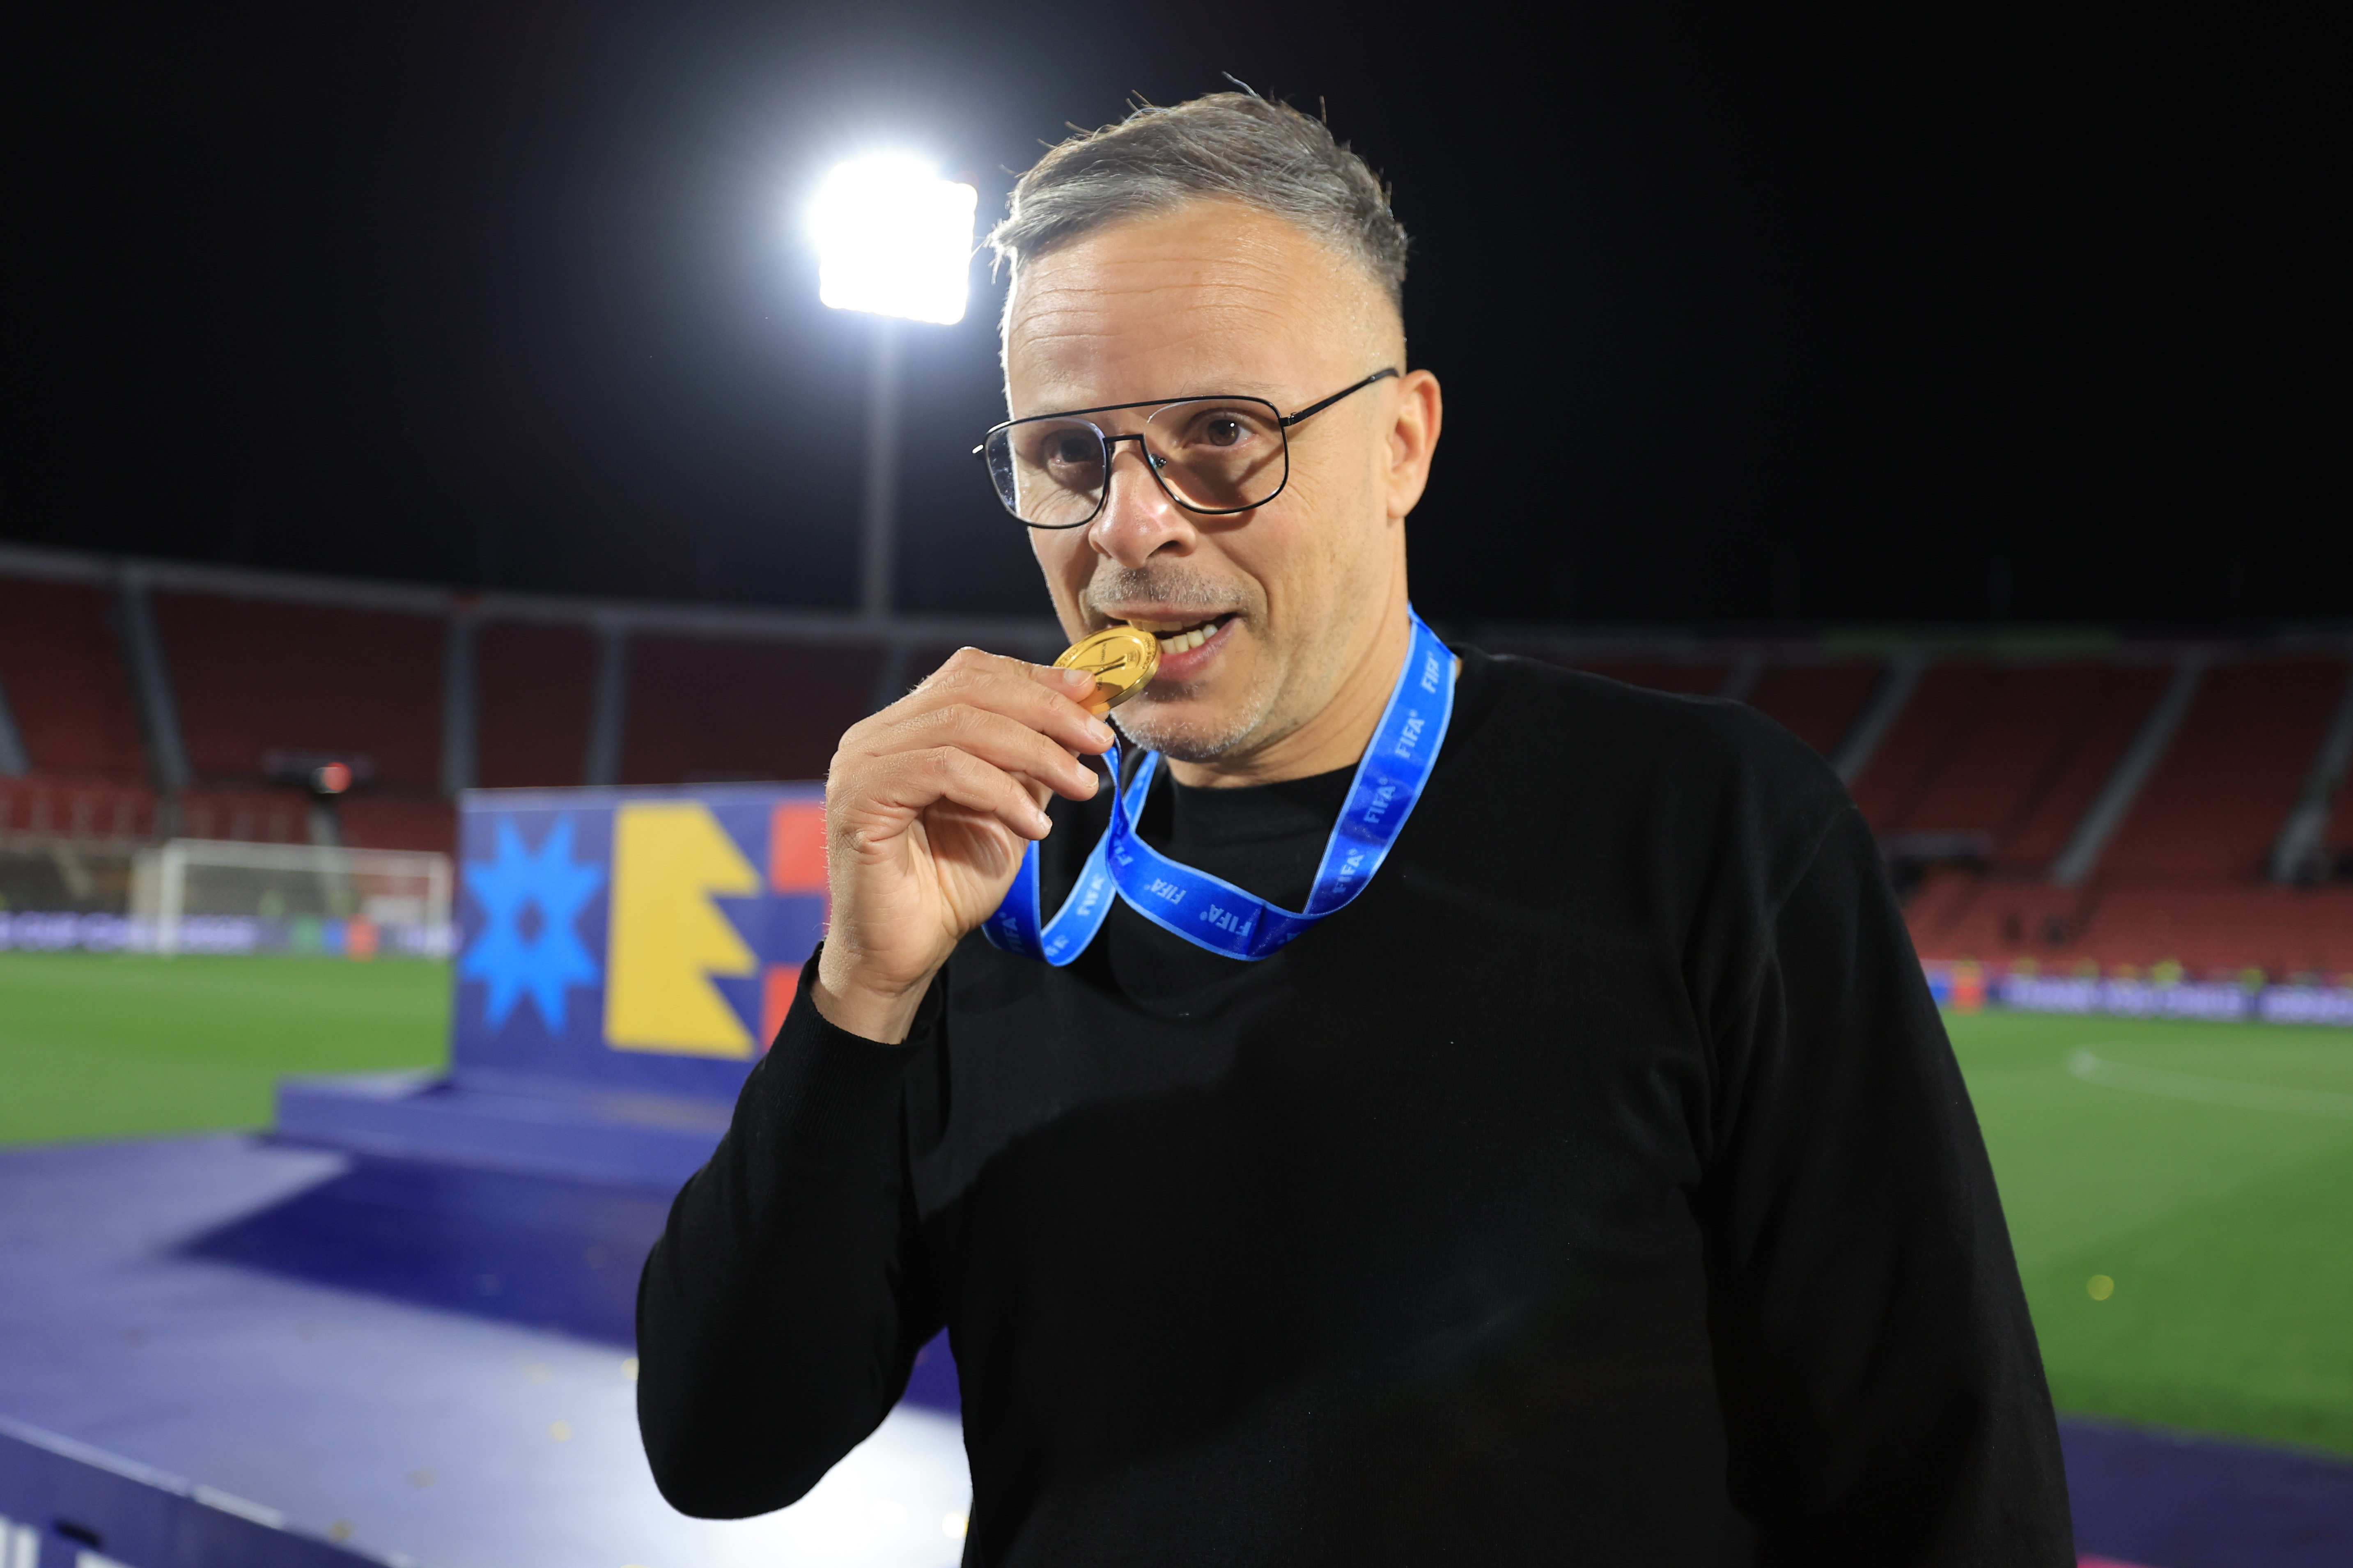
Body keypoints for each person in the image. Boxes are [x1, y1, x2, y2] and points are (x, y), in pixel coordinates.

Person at [637, 91, 2074, 1563]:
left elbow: (1946, 1482)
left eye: (1220, 434)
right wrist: (862, 991)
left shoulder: (1706, 826)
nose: (1131, 527)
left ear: (1401, 442)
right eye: (1069, 452)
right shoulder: (990, 869)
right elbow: (720, 1449)